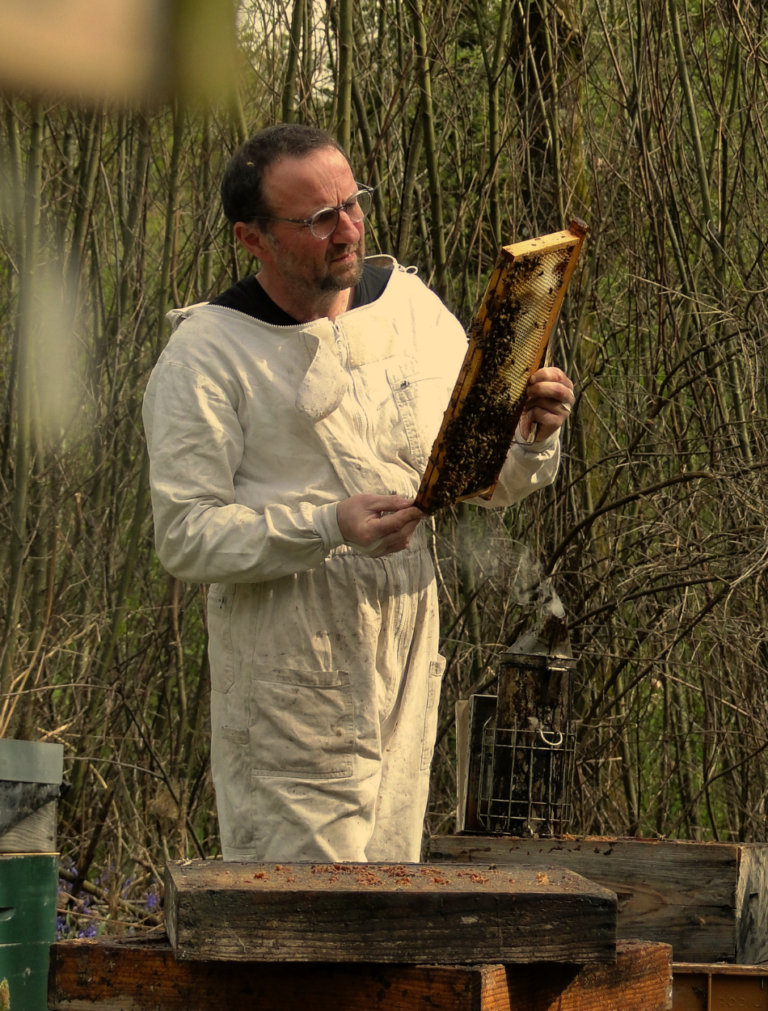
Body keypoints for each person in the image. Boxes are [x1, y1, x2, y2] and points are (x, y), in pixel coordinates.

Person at [142, 123, 574, 863]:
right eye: (317, 218)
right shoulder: (207, 354)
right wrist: (324, 525)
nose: (347, 229)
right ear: (253, 239)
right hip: (287, 663)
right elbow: (185, 534)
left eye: (352, 203)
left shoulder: (407, 307)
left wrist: (531, 433)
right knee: (302, 917)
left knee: (387, 896)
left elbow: (479, 476)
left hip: (406, 642)